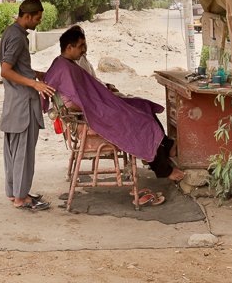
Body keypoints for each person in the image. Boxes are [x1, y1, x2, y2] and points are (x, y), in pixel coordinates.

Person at [45, 26, 184, 182]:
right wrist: (102, 103)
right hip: (91, 112)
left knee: (143, 105)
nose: (84, 50)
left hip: (98, 104)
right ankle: (162, 169)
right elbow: (75, 100)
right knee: (142, 121)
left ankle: (167, 145)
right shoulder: (65, 68)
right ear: (69, 47)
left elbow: (87, 88)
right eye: (81, 46)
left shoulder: (66, 64)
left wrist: (105, 94)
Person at [0, 0, 55, 211]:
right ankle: (21, 199)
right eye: (38, 18)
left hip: (14, 103)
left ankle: (15, 193)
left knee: (14, 152)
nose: (39, 22)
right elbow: (6, 70)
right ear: (28, 16)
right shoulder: (17, 38)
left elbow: (17, 68)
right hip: (23, 104)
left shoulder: (11, 32)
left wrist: (37, 74)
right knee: (23, 153)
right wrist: (34, 84)